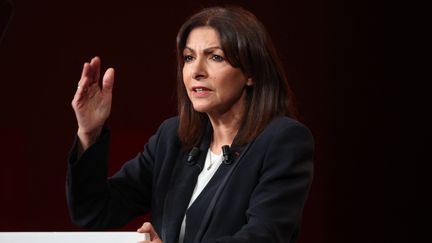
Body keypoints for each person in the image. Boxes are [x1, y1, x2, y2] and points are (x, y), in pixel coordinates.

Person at [67, 6, 314, 243]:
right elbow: (95, 210)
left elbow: (264, 236)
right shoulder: (172, 139)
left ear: (251, 72)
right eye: (188, 57)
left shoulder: (283, 140)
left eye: (215, 57)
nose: (196, 71)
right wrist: (89, 133)